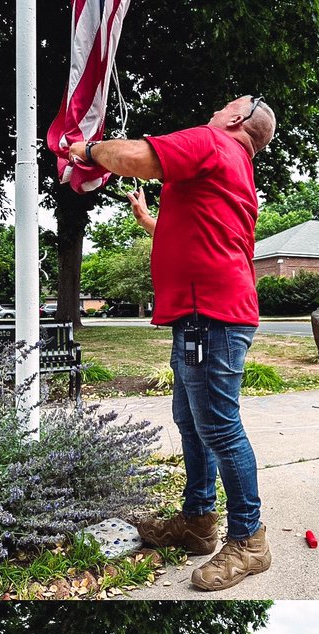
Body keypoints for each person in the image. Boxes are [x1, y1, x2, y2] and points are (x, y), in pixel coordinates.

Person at [69, 96, 278, 591]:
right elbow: (193, 236)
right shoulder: (235, 167)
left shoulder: (212, 142)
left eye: (228, 104)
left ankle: (250, 541)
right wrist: (147, 219)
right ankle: (199, 521)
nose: (216, 108)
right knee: (192, 420)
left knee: (220, 428)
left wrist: (88, 148)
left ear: (237, 119)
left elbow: (136, 157)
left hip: (211, 316)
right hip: (202, 314)